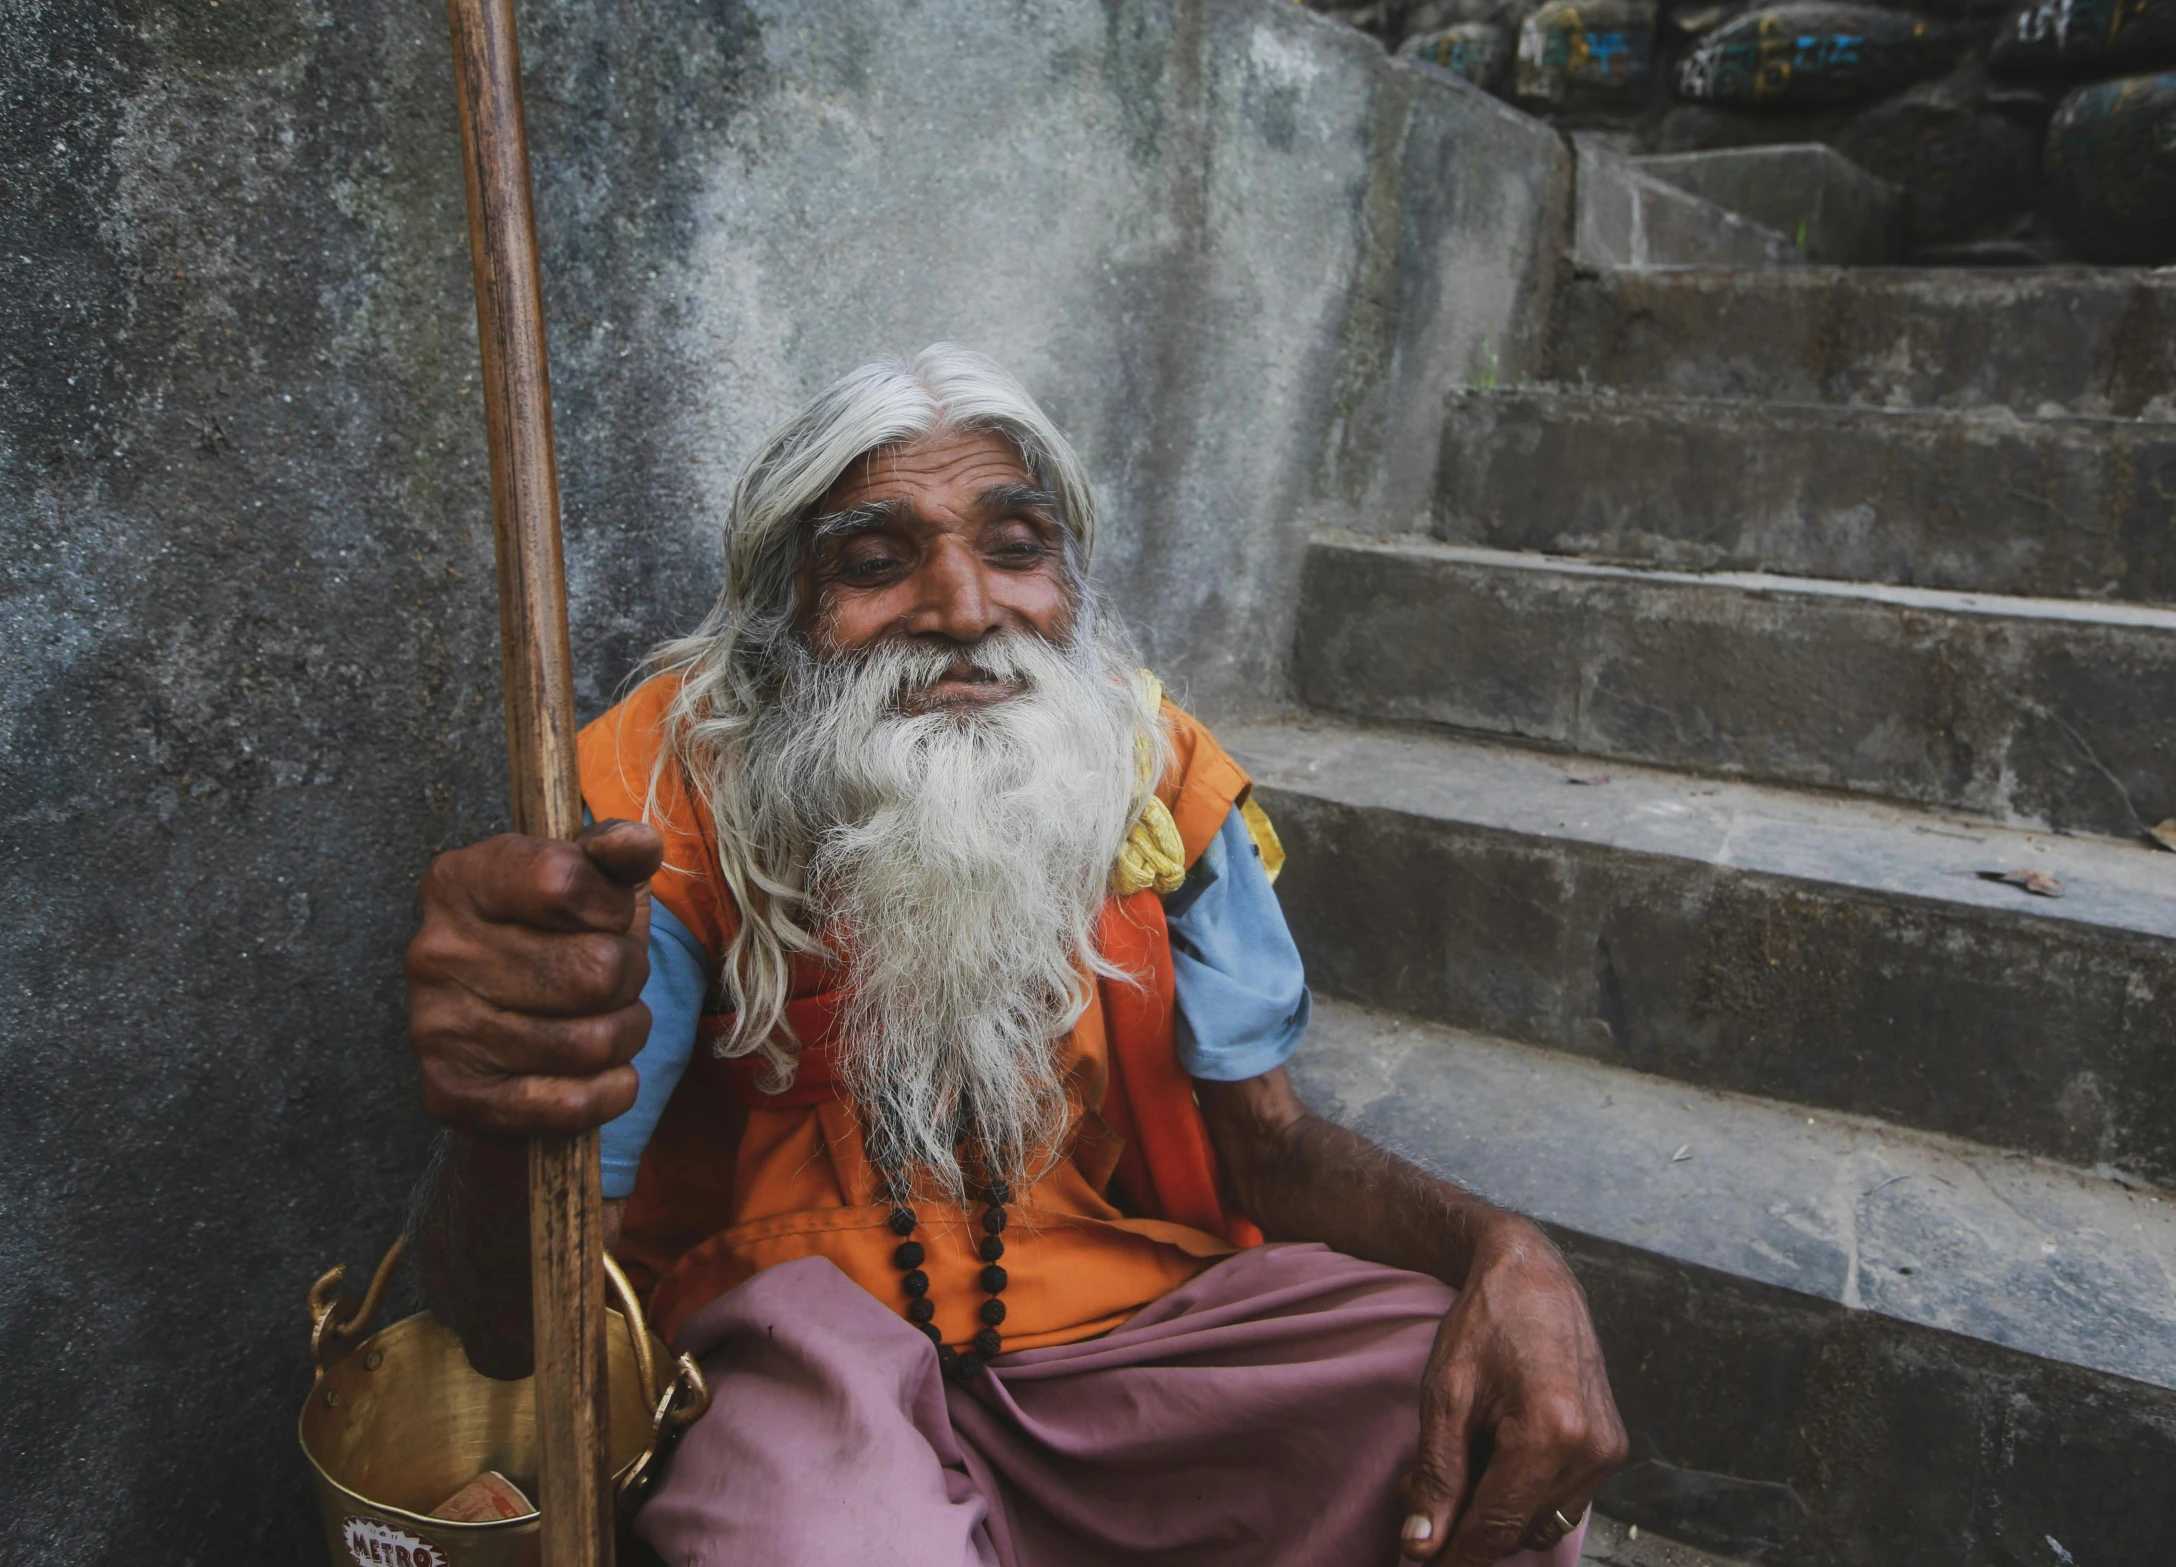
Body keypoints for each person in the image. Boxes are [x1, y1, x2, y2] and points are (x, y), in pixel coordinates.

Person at [404, 345, 1626, 1566]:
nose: (965, 608)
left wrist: (1499, 1248)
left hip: (1118, 1322)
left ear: (1069, 581)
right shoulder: (659, 796)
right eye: (876, 563)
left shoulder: (1148, 777)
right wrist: (501, 1104)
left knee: (1448, 1391)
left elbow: (1271, 1143)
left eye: (1014, 546)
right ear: (781, 621)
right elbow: (521, 1316)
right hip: (792, 1350)